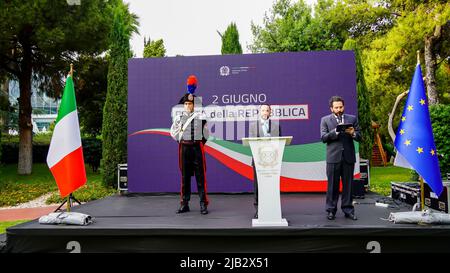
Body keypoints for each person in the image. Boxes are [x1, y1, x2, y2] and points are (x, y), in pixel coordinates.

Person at [170, 78, 210, 215]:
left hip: (197, 148)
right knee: (184, 177)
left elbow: (206, 133)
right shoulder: (178, 118)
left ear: (194, 105)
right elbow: (174, 132)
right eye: (186, 103)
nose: (188, 105)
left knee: (201, 177)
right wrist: (182, 141)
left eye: (190, 103)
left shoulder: (201, 117)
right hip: (184, 149)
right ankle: (184, 203)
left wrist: (198, 142)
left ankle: (203, 204)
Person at [320, 96, 361, 221]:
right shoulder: (325, 120)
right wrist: (336, 132)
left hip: (348, 157)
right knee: (332, 186)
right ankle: (331, 210)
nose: (339, 109)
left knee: (348, 186)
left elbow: (360, 136)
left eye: (341, 107)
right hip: (333, 157)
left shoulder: (352, 119)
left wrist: (353, 133)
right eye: (336, 107)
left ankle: (348, 210)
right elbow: (323, 138)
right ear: (331, 109)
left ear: (344, 107)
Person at [248, 104, 281, 218]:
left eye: (267, 110)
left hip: (273, 161)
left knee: (271, 185)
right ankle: (258, 209)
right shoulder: (253, 125)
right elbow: (251, 142)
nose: (265, 112)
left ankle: (272, 208)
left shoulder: (276, 125)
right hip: (258, 160)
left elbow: (279, 142)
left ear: (270, 112)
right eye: (263, 110)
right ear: (259, 112)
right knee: (258, 185)